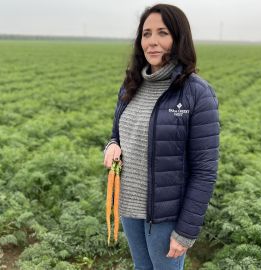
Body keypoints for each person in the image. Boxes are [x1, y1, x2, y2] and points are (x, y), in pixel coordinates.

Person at [102, 3, 220, 270]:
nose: (152, 42)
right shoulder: (131, 85)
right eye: (146, 34)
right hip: (130, 207)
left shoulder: (196, 93)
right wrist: (111, 146)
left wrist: (186, 231)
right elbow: (116, 135)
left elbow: (205, 170)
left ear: (178, 39)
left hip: (166, 216)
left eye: (162, 33)